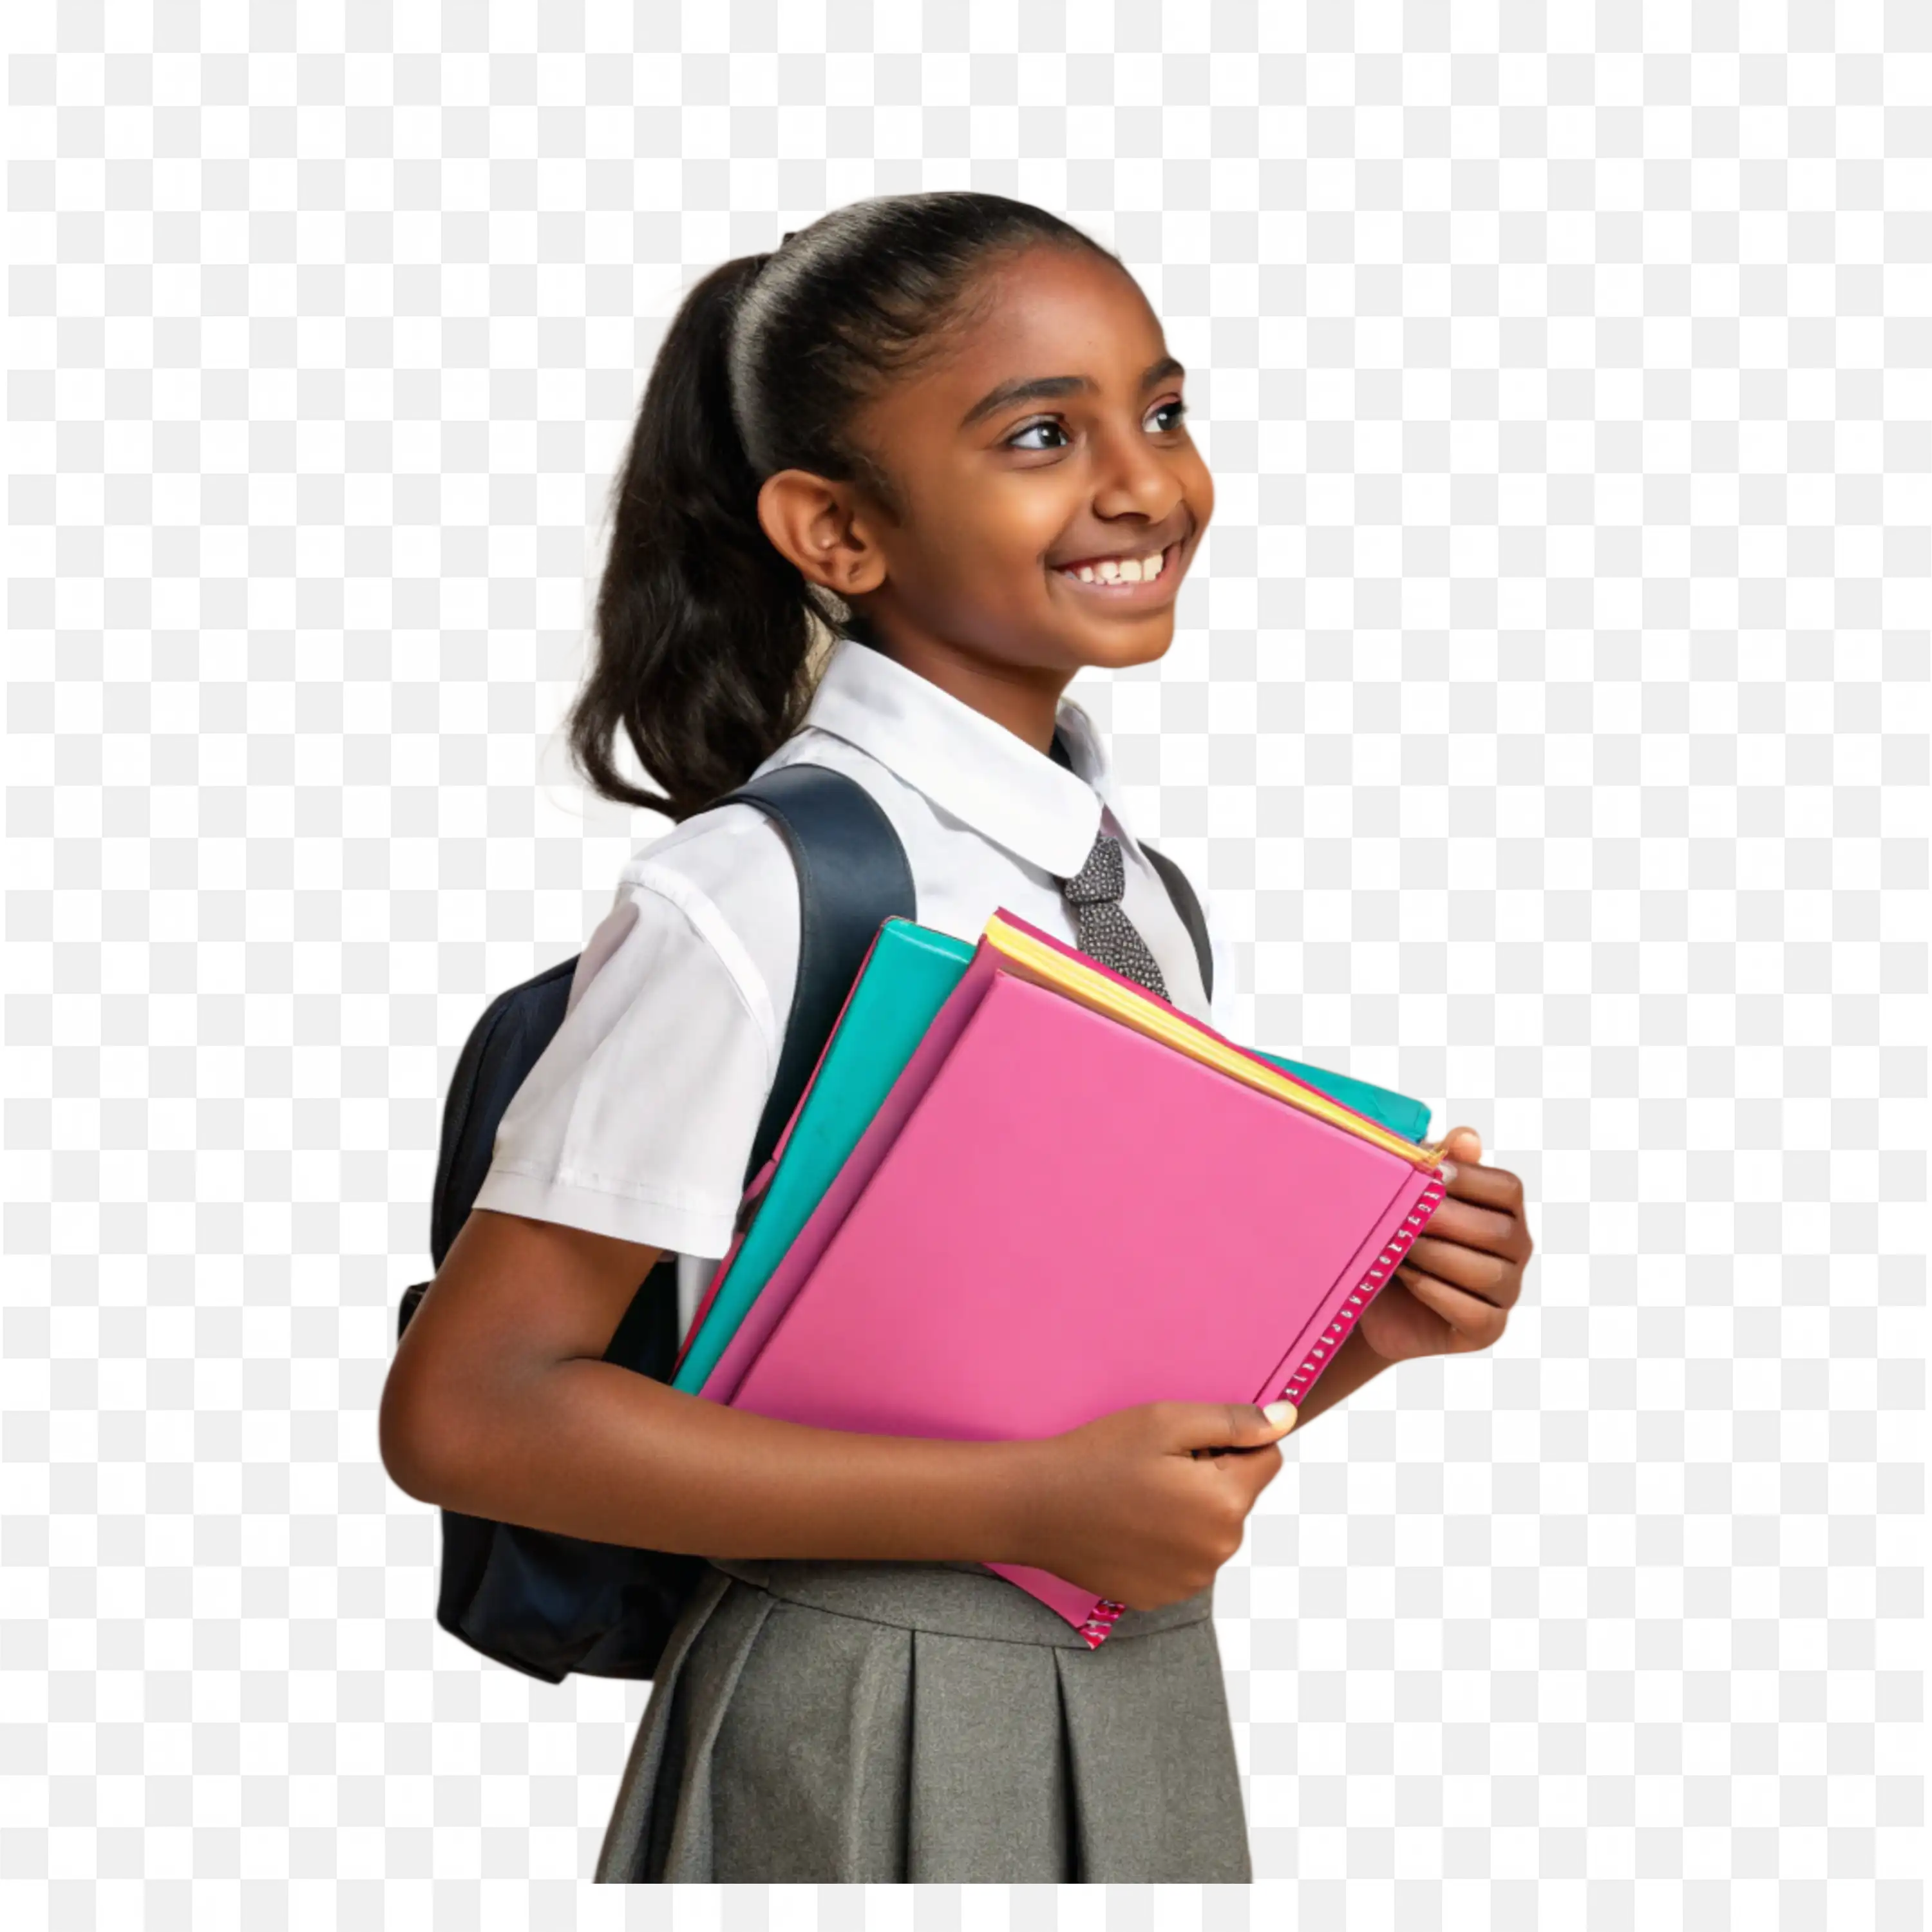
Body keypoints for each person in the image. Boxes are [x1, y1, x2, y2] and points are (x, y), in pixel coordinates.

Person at [376, 189, 1537, 1884]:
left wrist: (1369, 1327)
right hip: (852, 1701)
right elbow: (469, 1411)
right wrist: (1024, 1513)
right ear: (838, 533)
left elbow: (1092, 1394)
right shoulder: (759, 892)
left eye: (1160, 409)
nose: (1145, 482)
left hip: (1131, 1678)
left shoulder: (1132, 886)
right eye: (1044, 435)